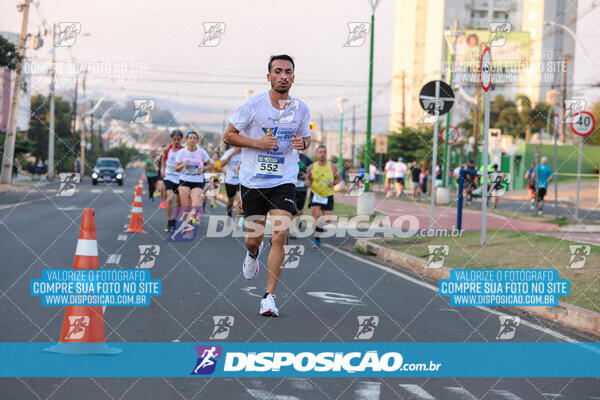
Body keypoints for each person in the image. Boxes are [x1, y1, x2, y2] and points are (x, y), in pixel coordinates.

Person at [223, 54, 311, 317]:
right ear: (269, 76)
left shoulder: (301, 108)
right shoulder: (253, 106)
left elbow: (305, 137)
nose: (283, 76)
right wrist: (258, 144)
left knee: (280, 235)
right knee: (253, 239)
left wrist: (302, 144)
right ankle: (253, 254)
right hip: (253, 180)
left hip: (284, 179)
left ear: (293, 77)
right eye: (278, 71)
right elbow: (228, 136)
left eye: (288, 72)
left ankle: (269, 297)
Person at [306, 145, 341, 249]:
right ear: (316, 154)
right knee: (316, 217)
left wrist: (334, 183)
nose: (322, 154)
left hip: (328, 195)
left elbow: (339, 179)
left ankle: (319, 228)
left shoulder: (333, 166)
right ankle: (317, 241)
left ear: (327, 154)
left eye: (324, 152)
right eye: (320, 152)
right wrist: (307, 182)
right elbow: (308, 179)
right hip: (316, 194)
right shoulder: (312, 167)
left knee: (327, 220)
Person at [175, 130, 211, 226]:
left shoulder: (202, 152)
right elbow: (176, 168)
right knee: (186, 207)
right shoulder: (181, 152)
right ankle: (187, 225)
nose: (192, 140)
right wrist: (183, 164)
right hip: (184, 181)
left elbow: (209, 165)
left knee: (196, 204)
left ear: (197, 140)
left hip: (197, 181)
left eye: (194, 138)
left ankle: (193, 216)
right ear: (186, 140)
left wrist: (203, 168)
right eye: (190, 138)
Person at [161, 130, 184, 232]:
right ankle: (169, 221)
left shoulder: (184, 150)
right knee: (170, 198)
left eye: (178, 139)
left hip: (179, 178)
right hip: (169, 177)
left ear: (181, 139)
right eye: (174, 139)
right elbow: (163, 159)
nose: (176, 141)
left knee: (178, 202)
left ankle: (174, 220)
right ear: (172, 139)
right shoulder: (167, 149)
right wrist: (162, 169)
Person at [291, 151, 313, 238]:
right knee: (292, 209)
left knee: (299, 210)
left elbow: (314, 169)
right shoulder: (289, 155)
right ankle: (294, 228)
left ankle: (297, 225)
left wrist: (307, 176)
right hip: (290, 187)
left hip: (302, 187)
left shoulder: (305, 158)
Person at [220, 145, 242, 219]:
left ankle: (238, 224)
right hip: (230, 180)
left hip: (241, 181)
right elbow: (221, 164)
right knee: (230, 202)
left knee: (240, 201)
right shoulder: (229, 152)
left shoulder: (246, 152)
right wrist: (232, 154)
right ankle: (229, 214)